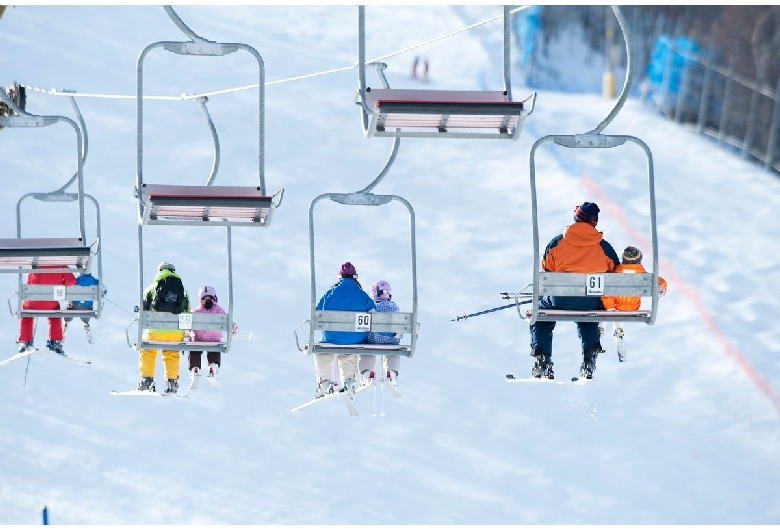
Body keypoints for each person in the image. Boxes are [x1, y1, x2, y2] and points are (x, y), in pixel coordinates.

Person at [529, 202, 620, 380]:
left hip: (559, 300)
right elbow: (616, 273)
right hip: (591, 300)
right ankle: (589, 356)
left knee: (540, 314)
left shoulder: (557, 243)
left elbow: (547, 270)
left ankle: (543, 359)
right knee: (588, 314)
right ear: (594, 222)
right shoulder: (603, 247)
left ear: (576, 217)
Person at [313, 261, 375, 398]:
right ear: (355, 277)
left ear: (340, 277)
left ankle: (324, 382)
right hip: (355, 337)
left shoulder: (330, 293)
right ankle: (348, 381)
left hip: (331, 337)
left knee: (322, 352)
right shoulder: (362, 295)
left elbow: (317, 314)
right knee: (348, 352)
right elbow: (375, 315)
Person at [601, 246, 668, 362]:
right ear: (639, 260)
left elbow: (604, 291)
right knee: (619, 311)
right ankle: (619, 331)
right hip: (632, 308)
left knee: (605, 306)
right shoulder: (645, 276)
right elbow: (661, 281)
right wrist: (662, 288)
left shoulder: (615, 273)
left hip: (614, 307)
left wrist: (610, 307)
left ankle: (600, 329)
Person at [137, 262, 191, 394]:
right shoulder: (183, 291)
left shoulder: (152, 288)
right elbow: (187, 313)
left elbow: (143, 310)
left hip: (155, 332)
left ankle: (147, 380)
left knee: (148, 349)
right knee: (171, 353)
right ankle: (172, 382)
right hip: (175, 334)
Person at [17, 264, 76, 354]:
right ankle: (55, 341)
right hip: (50, 303)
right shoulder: (62, 266)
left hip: (33, 302)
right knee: (55, 314)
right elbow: (71, 281)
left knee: (26, 313)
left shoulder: (36, 264)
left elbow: (29, 283)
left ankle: (25, 341)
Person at [187, 285, 238, 389]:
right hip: (214, 340)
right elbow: (228, 322)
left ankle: (195, 369)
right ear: (215, 297)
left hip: (199, 339)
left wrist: (190, 333)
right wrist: (234, 329)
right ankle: (212, 367)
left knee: (193, 346)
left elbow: (188, 325)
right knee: (214, 347)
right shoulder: (218, 310)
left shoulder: (196, 311)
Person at [359, 280, 402, 387]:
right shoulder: (394, 307)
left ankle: (367, 373)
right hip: (391, 341)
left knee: (366, 351)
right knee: (393, 352)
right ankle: (391, 372)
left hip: (372, 340)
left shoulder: (371, 307)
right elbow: (400, 328)